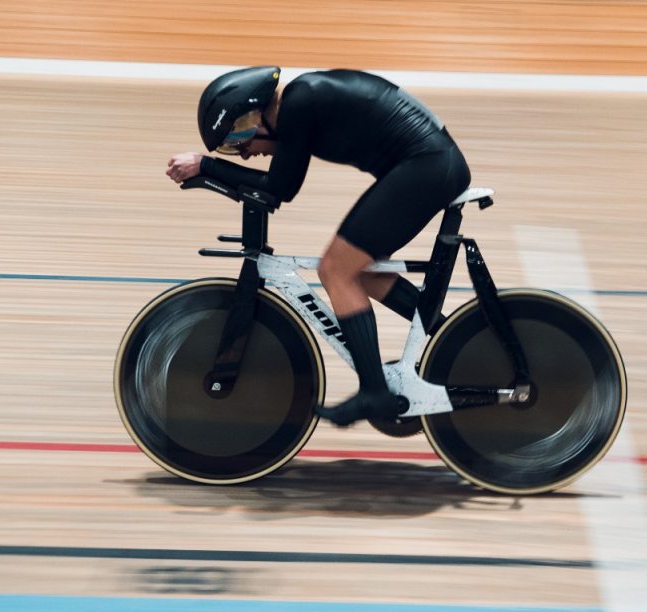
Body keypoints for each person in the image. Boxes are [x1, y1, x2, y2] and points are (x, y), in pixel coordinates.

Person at [165, 66, 471, 427]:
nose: (245, 154)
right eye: (233, 149)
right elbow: (278, 186)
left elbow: (280, 188)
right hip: (429, 164)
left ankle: (374, 394)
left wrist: (207, 165)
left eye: (238, 140)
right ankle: (460, 339)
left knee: (335, 270)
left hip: (428, 166)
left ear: (255, 116)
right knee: (362, 273)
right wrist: (213, 168)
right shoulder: (302, 101)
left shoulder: (300, 102)